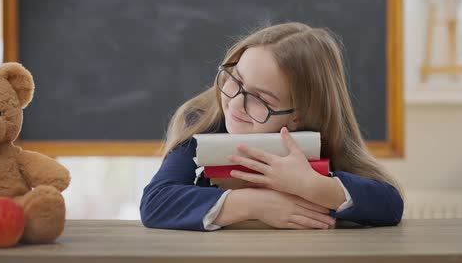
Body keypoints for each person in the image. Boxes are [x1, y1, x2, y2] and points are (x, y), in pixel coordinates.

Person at [140, 22, 403, 231]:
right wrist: (256, 205)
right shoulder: (204, 120)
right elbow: (156, 203)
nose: (235, 102)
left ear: (297, 117)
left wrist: (312, 186)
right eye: (235, 79)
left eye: (260, 99)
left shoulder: (316, 141)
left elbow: (390, 205)